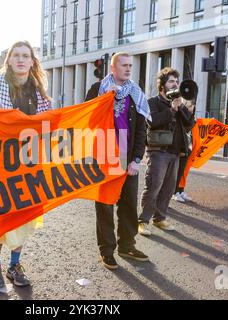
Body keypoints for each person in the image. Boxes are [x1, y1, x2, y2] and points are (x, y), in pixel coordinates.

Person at [0, 41, 51, 290]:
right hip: (2, 164)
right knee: (1, 217)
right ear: (9, 60)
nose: (21, 59)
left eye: (26, 56)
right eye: (16, 55)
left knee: (23, 216)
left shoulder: (40, 93)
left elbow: (46, 127)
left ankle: (14, 265)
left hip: (30, 164)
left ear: (32, 61)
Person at [85, 52, 150, 270]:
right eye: (123, 65)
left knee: (129, 203)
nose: (128, 69)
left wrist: (137, 158)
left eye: (130, 65)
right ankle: (107, 250)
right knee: (104, 205)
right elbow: (86, 119)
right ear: (112, 68)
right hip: (105, 155)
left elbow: (142, 128)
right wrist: (105, 100)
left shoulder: (136, 93)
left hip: (127, 156)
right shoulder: (98, 90)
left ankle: (127, 245)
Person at [138, 68, 195, 236]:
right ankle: (142, 221)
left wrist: (189, 112)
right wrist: (171, 109)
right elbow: (153, 122)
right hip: (158, 151)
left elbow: (188, 127)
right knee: (154, 185)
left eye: (177, 82)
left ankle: (160, 219)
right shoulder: (153, 102)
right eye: (171, 82)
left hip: (176, 152)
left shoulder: (180, 103)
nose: (175, 85)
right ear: (162, 86)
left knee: (169, 188)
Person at [172, 100, 196, 203]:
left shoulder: (191, 118)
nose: (191, 108)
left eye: (193, 106)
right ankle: (175, 192)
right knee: (176, 173)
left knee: (183, 172)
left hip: (186, 149)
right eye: (189, 105)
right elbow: (186, 128)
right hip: (178, 147)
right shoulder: (180, 115)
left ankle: (180, 191)